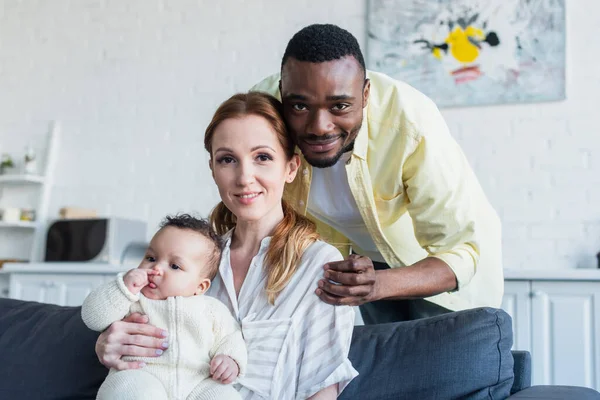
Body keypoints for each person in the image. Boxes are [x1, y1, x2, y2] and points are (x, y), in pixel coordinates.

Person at [94, 92, 357, 399]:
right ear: (213, 169)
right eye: (228, 159)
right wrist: (107, 342)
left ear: (291, 167)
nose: (245, 178)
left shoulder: (320, 265)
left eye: (263, 157)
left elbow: (322, 387)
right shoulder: (189, 260)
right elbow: (136, 318)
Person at [250, 23, 503, 324]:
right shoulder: (262, 116)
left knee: (441, 364)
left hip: (438, 268)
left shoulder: (410, 124)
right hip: (362, 266)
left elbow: (460, 251)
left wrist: (378, 285)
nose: (319, 126)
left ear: (366, 94)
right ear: (282, 94)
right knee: (390, 364)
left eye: (340, 106)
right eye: (300, 106)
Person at [82, 214, 247, 400]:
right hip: (141, 374)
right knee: (132, 391)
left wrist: (231, 360)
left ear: (200, 287)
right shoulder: (132, 299)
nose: (156, 269)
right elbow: (92, 316)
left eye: (174, 266)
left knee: (224, 396)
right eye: (151, 258)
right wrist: (122, 288)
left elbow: (231, 337)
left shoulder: (211, 310)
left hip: (198, 382)